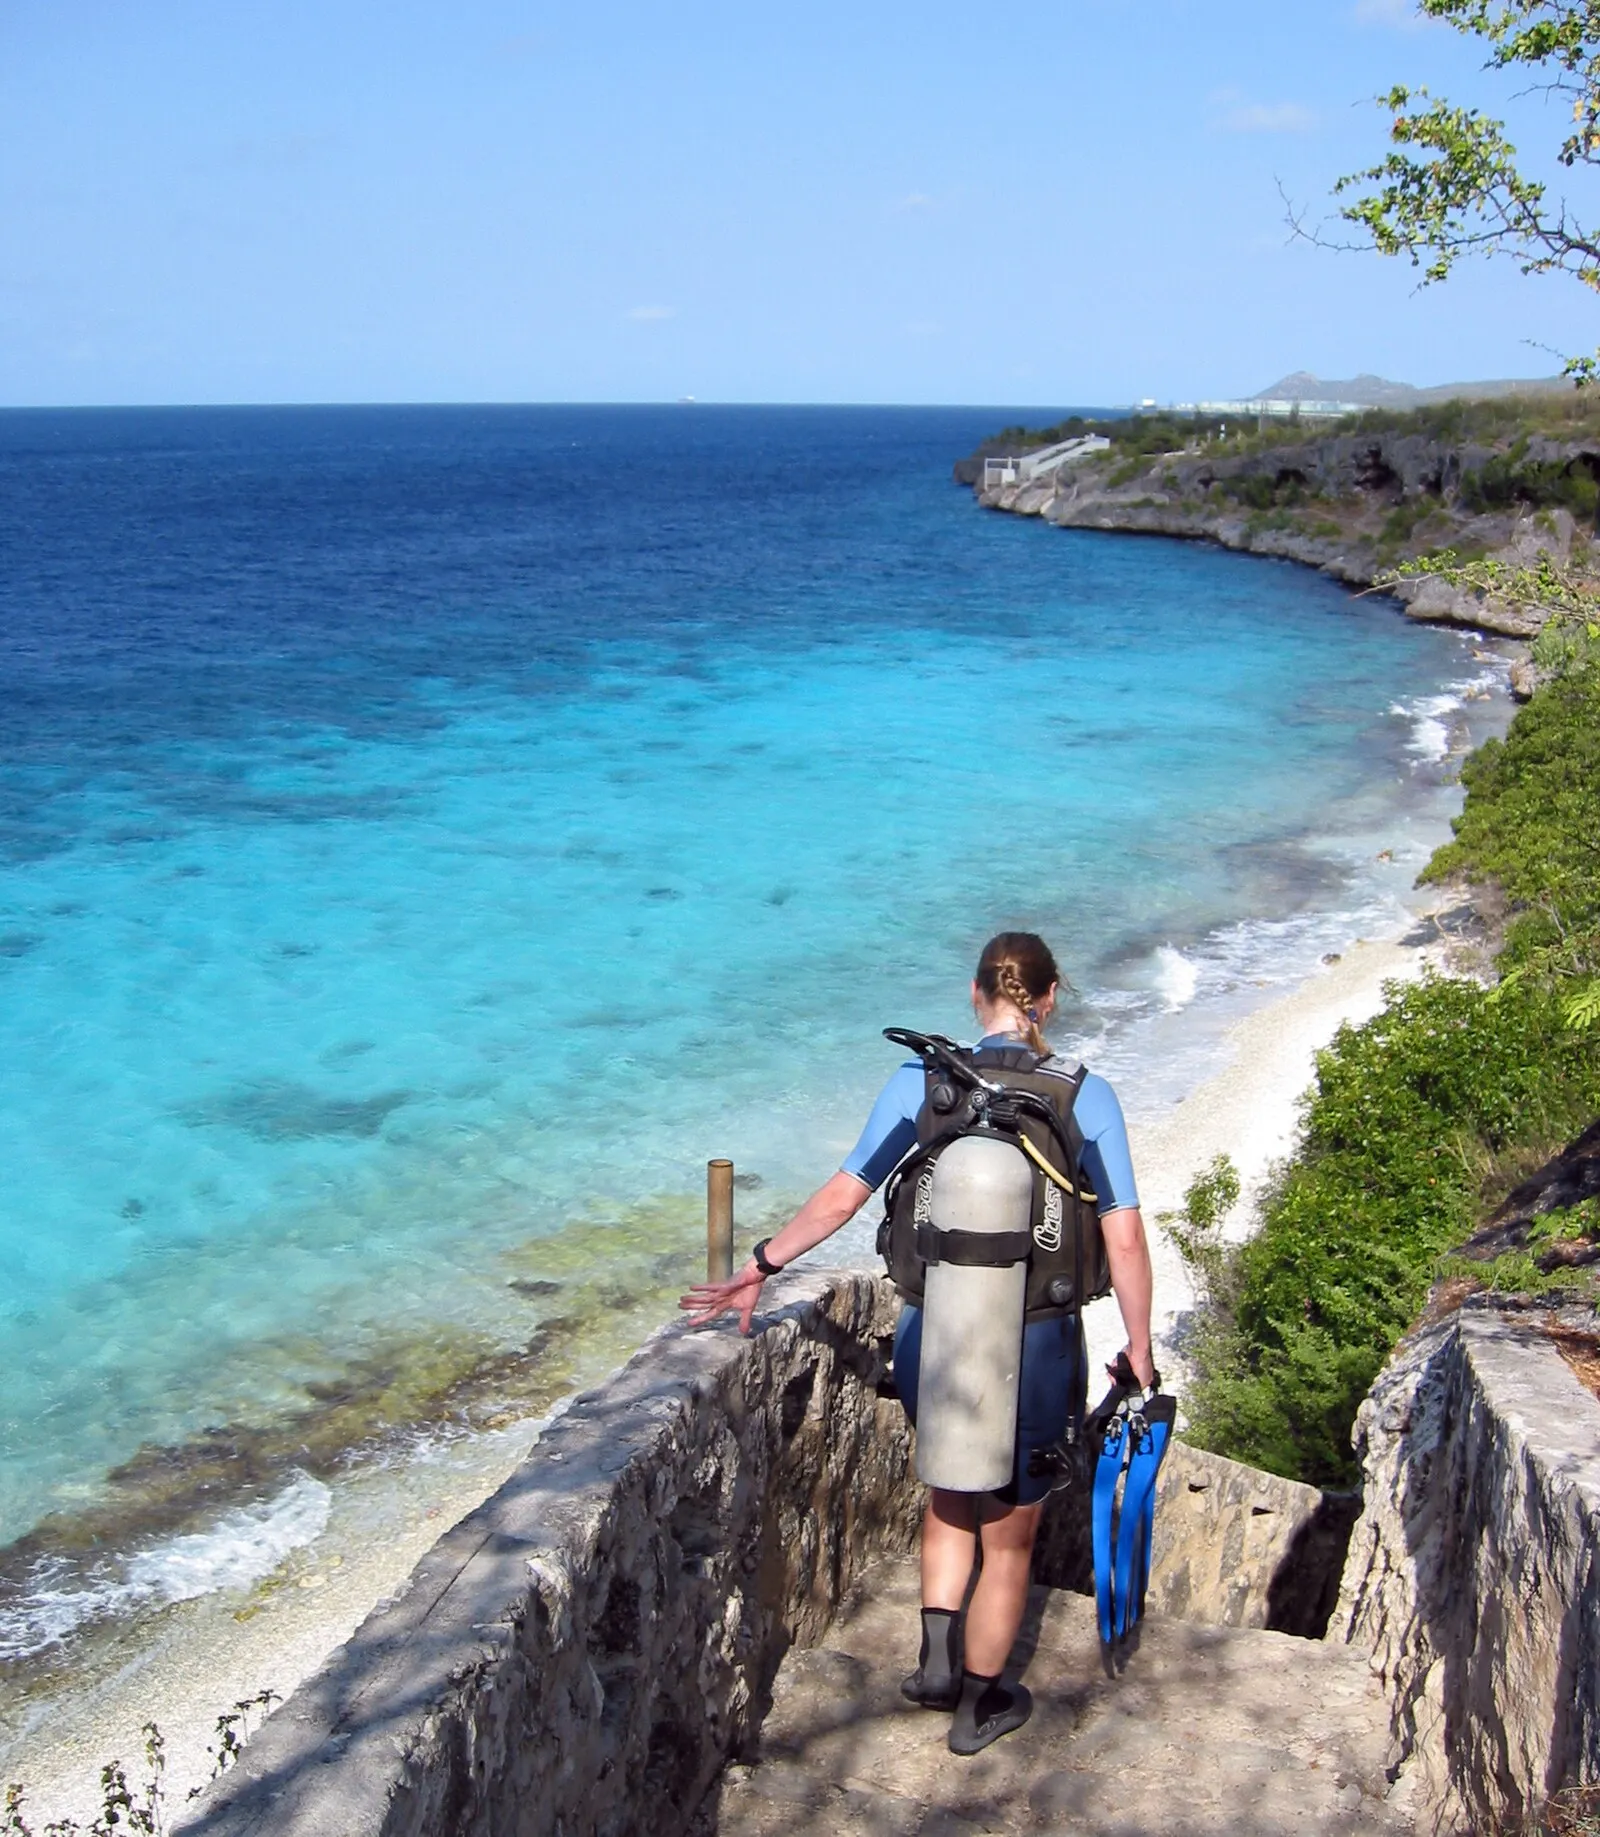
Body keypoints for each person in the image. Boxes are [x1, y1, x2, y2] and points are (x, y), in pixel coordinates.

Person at [680, 930, 1156, 1755]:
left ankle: (934, 1665)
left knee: (948, 1491)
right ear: (1048, 1000)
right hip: (1038, 1342)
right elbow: (1123, 1237)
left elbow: (844, 1194)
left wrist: (759, 1263)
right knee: (1009, 1530)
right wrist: (1140, 1348)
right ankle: (980, 1703)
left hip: (927, 1327)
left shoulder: (922, 1082)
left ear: (976, 995)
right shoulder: (1087, 1096)